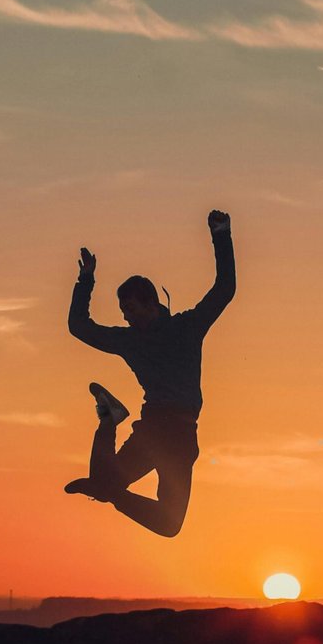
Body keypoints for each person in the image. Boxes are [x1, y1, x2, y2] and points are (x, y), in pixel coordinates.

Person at [64, 209, 235, 537]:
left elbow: (224, 289)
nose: (126, 318)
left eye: (130, 309)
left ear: (151, 304)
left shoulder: (187, 327)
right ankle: (108, 424)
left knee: (167, 523)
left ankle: (110, 438)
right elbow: (78, 326)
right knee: (112, 490)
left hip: (178, 435)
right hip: (158, 430)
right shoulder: (131, 339)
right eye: (123, 311)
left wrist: (221, 235)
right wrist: (85, 279)